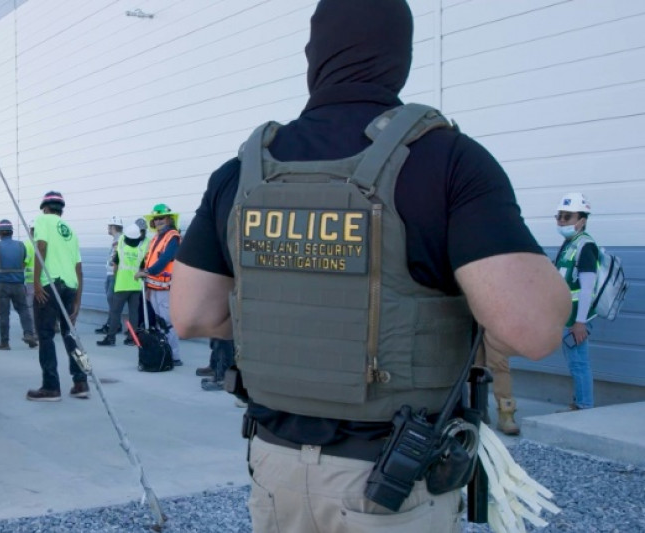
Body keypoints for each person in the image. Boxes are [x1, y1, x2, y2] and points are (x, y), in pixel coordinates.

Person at [169, 1, 572, 530]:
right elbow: (532, 330)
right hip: (394, 481)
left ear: (313, 57)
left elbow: (192, 315)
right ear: (401, 59)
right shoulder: (449, 160)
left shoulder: (240, 172)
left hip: (273, 467)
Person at [26, 191, 86, 402]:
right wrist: (78, 300)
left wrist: (36, 281)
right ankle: (81, 382)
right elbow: (79, 268)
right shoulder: (71, 231)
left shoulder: (43, 220)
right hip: (70, 287)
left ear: (45, 208)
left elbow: (41, 247)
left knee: (45, 336)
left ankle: (51, 387)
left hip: (49, 285)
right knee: (71, 335)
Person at [554, 192, 598, 411]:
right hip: (568, 315)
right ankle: (579, 402)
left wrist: (580, 322)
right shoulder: (569, 243)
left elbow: (587, 288)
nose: (562, 221)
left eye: (567, 216)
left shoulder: (585, 246)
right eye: (559, 216)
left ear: (582, 220)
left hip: (577, 319)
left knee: (579, 362)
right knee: (575, 362)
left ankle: (584, 406)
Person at [135, 204, 182, 366]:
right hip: (155, 287)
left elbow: (165, 259)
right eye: (156, 219)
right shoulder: (156, 238)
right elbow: (149, 258)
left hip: (166, 288)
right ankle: (163, 352)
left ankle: (174, 356)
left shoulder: (173, 237)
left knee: (167, 323)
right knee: (159, 322)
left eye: (161, 218)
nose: (158, 221)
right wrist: (144, 273)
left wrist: (147, 272)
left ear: (169, 219)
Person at [0, 219, 37, 350]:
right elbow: (23, 261)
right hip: (19, 284)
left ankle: (4, 342)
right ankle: (29, 334)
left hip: (1, 284)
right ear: (11, 232)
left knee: (4, 313)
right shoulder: (21, 246)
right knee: (23, 310)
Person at [97, 222, 145, 346]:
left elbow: (115, 267)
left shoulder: (121, 250)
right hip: (136, 286)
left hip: (122, 285)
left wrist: (116, 278)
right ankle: (131, 339)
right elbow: (142, 269)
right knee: (133, 313)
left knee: (115, 312)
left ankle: (111, 338)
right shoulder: (140, 252)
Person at [95, 217, 124, 336]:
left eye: (109, 226)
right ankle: (113, 324)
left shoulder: (119, 239)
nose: (108, 228)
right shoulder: (117, 238)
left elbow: (116, 256)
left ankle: (113, 325)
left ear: (113, 227)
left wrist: (112, 264)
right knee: (111, 301)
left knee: (112, 300)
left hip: (114, 274)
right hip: (110, 273)